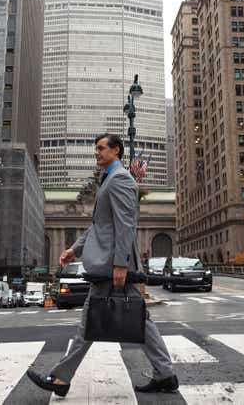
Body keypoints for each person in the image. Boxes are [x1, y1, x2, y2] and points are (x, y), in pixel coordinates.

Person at [26, 134, 178, 398]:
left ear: (116, 150)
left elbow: (125, 224)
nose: (96, 152)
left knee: (92, 319)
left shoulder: (119, 178)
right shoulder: (108, 178)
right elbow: (100, 226)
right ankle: (165, 374)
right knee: (138, 317)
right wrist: (74, 249)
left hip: (112, 265)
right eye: (95, 148)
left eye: (100, 148)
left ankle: (61, 379)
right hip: (111, 263)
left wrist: (120, 265)